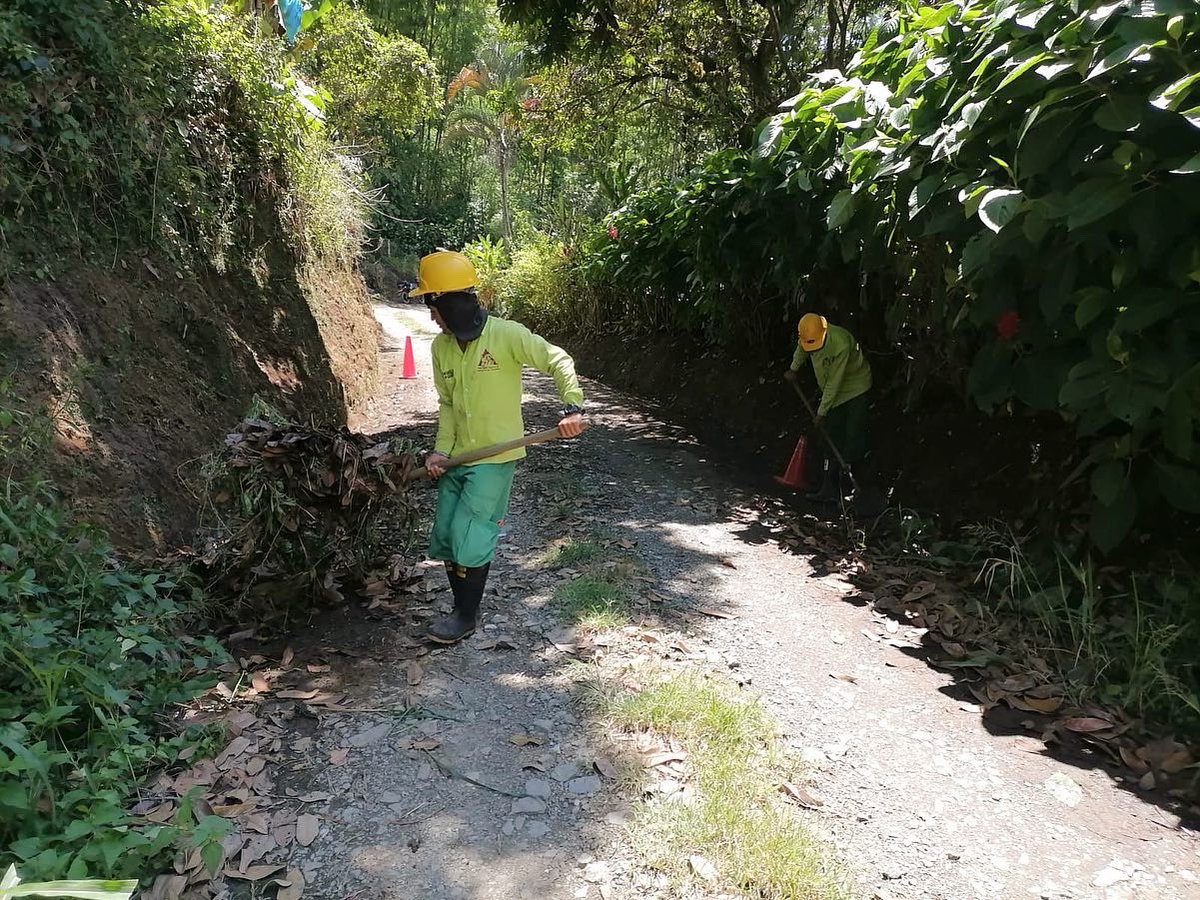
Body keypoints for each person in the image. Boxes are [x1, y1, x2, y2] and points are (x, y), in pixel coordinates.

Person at [410, 250, 585, 644]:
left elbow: (556, 358)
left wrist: (572, 405)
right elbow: (449, 405)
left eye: (432, 305)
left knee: (470, 534)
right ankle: (461, 608)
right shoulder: (441, 348)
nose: (430, 315)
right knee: (446, 534)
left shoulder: (506, 335)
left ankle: (464, 615)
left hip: (495, 458)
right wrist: (440, 452)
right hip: (457, 458)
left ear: (448, 303)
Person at [784, 312, 872, 503]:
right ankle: (828, 486)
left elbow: (835, 382)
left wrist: (822, 412)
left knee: (853, 434)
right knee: (831, 435)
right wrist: (793, 368)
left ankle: (848, 487)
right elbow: (802, 349)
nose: (812, 350)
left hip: (854, 387)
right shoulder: (809, 333)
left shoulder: (840, 344)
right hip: (832, 392)